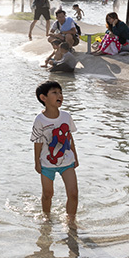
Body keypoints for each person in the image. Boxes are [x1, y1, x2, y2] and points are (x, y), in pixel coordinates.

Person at [31, 81, 79, 220]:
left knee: (73, 193)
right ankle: (46, 219)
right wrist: (37, 162)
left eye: (60, 92)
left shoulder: (66, 116)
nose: (60, 95)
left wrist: (75, 156)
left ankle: (71, 221)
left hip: (67, 161)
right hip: (47, 163)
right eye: (55, 93)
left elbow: (69, 137)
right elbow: (38, 142)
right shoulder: (40, 120)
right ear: (43, 98)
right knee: (47, 194)